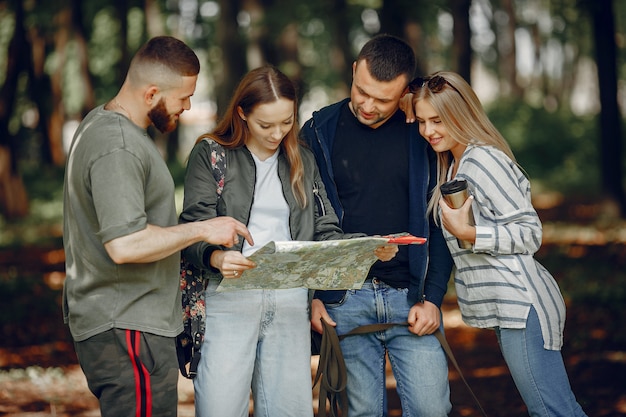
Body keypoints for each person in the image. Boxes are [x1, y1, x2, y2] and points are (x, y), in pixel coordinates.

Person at [179, 65, 397, 417]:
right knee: (219, 407)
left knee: (289, 409)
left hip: (290, 299)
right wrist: (216, 258)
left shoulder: (302, 158)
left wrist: (367, 246)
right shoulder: (211, 153)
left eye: (286, 122)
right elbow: (192, 226)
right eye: (266, 124)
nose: (277, 133)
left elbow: (325, 230)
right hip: (229, 297)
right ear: (242, 113)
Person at [62, 36, 253, 417]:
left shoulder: (107, 128)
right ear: (151, 93)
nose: (188, 106)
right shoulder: (118, 144)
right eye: (183, 97)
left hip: (128, 324)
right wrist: (203, 229)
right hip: (129, 327)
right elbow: (125, 244)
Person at [411, 70, 588, 417]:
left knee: (553, 410)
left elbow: (529, 231)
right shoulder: (453, 164)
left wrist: (472, 234)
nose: (428, 131)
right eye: (421, 121)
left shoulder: (483, 160)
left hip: (522, 304)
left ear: (460, 115)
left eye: (438, 120)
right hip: (507, 307)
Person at [300, 34, 454, 417]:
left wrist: (434, 298)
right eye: (361, 91)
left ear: (405, 92)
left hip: (411, 298)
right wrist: (313, 295)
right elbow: (304, 220)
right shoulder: (319, 131)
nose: (368, 105)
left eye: (383, 99)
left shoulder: (423, 131)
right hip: (343, 300)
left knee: (432, 408)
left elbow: (441, 221)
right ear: (354, 71)